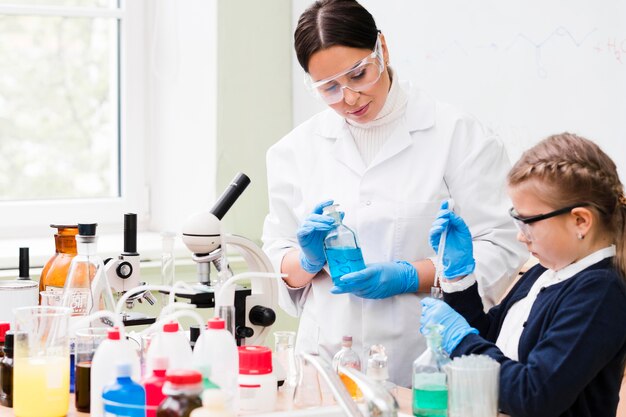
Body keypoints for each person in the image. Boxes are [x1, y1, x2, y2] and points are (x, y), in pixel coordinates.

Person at [262, 0, 527, 387]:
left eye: (358, 75)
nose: (348, 98)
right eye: (329, 88)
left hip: (423, 361)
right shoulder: (295, 150)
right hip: (325, 365)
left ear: (381, 50)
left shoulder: (458, 135)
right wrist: (305, 260)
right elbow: (276, 258)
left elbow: (502, 245)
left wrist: (412, 276)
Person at [421, 133, 626, 416]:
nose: (520, 236)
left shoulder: (601, 293)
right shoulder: (544, 272)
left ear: (580, 220)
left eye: (528, 222)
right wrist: (458, 281)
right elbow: (488, 340)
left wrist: (459, 339)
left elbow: (534, 395)